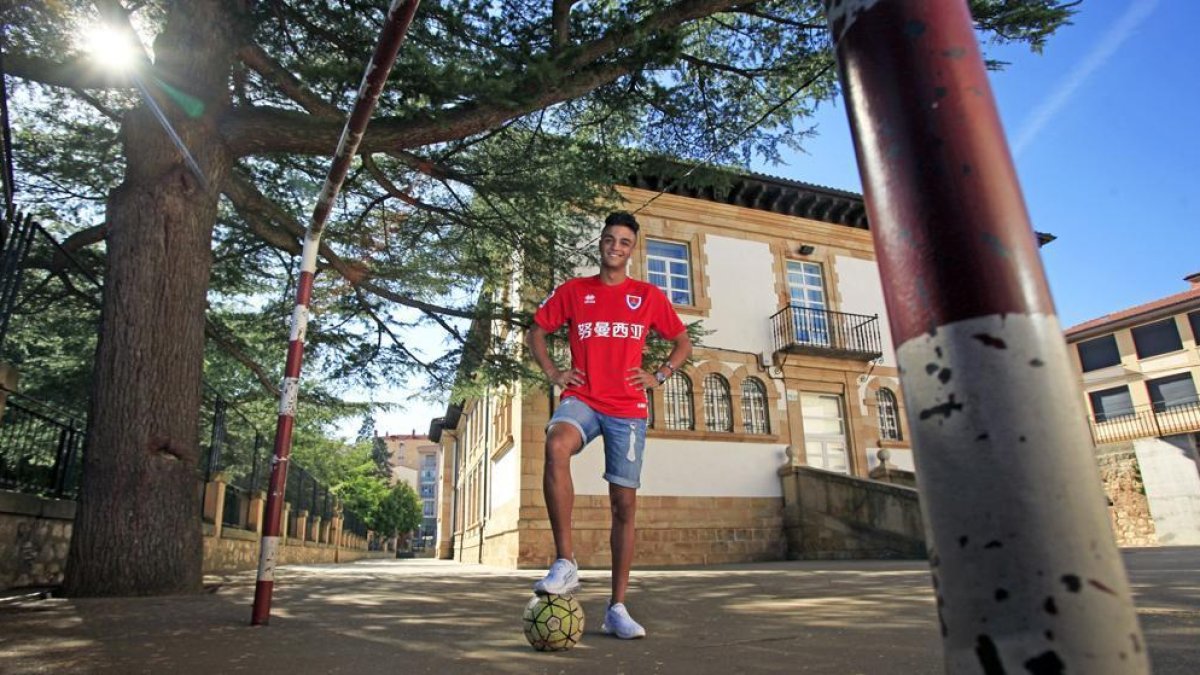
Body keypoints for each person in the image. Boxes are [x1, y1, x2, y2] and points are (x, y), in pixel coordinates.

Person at [525, 211, 692, 639]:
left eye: (624, 242)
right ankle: (566, 562)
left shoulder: (647, 296)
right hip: (583, 397)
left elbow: (682, 341)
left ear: (632, 250)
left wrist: (659, 375)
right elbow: (536, 332)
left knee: (624, 506)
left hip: (627, 407)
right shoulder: (574, 291)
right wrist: (554, 373)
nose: (615, 247)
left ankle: (617, 608)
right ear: (600, 243)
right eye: (609, 239)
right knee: (556, 444)